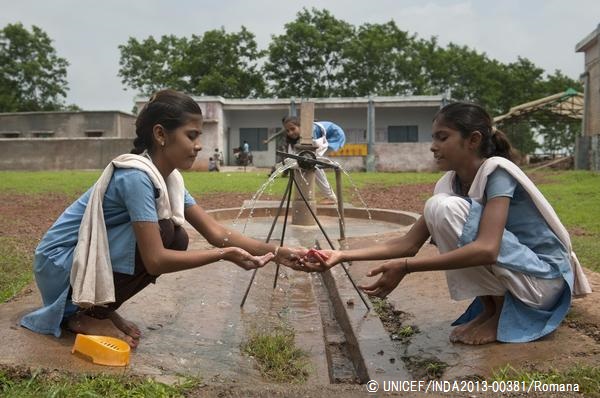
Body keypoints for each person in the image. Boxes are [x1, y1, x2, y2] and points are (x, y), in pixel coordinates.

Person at [20, 89, 306, 348]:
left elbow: (216, 232)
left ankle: (99, 310)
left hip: (74, 261)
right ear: (160, 134)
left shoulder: (167, 179)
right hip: (58, 264)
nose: (198, 146)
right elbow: (156, 259)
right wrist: (222, 255)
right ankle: (79, 317)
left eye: (199, 137)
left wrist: (278, 253)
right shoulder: (136, 177)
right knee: (168, 234)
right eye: (191, 135)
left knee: (175, 235)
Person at [294, 102, 590, 345]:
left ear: (473, 139)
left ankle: (500, 314)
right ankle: (490, 309)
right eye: (434, 137)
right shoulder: (450, 183)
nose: (433, 147)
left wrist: (406, 268)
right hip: (522, 275)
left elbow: (488, 249)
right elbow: (408, 243)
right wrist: (342, 255)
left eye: (442, 137)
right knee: (440, 207)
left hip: (543, 282)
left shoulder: (498, 174)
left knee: (443, 208)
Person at [282, 116, 346, 205]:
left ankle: (331, 197)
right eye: (288, 131)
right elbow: (291, 154)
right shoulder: (300, 136)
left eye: (293, 129)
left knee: (312, 163)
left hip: (335, 137)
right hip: (326, 137)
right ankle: (327, 195)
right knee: (308, 162)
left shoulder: (311, 131)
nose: (290, 133)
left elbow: (310, 153)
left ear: (301, 126)